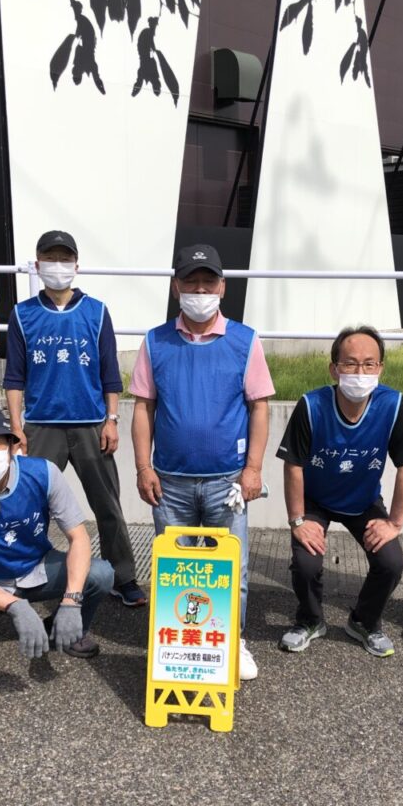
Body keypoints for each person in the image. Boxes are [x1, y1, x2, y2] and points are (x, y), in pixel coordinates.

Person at [129, 243, 275, 681]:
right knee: (175, 569)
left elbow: (259, 407)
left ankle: (232, 641)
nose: (199, 290)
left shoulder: (244, 341)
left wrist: (253, 469)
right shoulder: (155, 341)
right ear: (176, 287)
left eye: (207, 282)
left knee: (230, 569)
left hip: (227, 481)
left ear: (222, 287)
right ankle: (177, 644)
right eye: (190, 282)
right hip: (169, 481)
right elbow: (143, 407)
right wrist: (142, 467)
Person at [3, 229, 145, 608]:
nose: (57, 265)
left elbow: (110, 373)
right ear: (37, 265)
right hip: (41, 425)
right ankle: (25, 575)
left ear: (76, 265)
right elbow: (14, 377)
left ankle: (123, 577)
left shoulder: (96, 312)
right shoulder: (23, 314)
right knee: (29, 506)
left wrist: (111, 419)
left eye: (64, 259)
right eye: (50, 258)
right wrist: (16, 427)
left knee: (107, 505)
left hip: (91, 424)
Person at [0, 405, 114, 676]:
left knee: (101, 573)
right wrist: (15, 606)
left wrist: (71, 601)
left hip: (36, 567)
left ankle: (67, 628)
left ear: (11, 445)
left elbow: (79, 537)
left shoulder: (44, 472)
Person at [277, 326, 403, 658]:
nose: (360, 372)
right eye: (350, 363)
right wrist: (297, 520)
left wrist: (395, 523)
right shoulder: (311, 405)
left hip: (363, 500)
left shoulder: (393, 405)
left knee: (391, 562)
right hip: (315, 499)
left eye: (369, 364)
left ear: (380, 368)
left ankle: (363, 621)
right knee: (305, 563)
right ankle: (310, 620)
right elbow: (293, 465)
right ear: (334, 368)